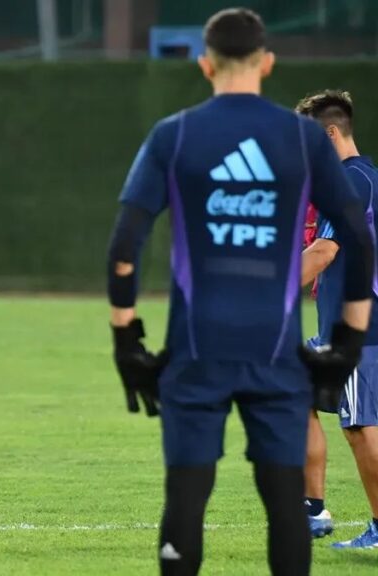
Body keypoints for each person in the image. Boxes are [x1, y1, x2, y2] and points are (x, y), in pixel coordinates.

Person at [106, 9, 374, 575]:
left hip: (194, 349)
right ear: (268, 63)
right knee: (285, 504)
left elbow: (126, 241)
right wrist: (347, 342)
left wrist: (126, 338)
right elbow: (356, 235)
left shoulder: (173, 134)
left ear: (205, 65)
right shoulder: (302, 138)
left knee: (186, 497)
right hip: (275, 351)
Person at [297, 89, 378, 548]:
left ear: (330, 133)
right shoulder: (366, 179)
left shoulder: (348, 183)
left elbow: (324, 251)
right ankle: (312, 509)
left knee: (360, 428)